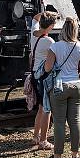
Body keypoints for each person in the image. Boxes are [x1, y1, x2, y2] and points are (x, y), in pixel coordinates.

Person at [40, 17, 80, 158]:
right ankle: (75, 155)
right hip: (75, 86)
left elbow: (47, 68)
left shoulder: (55, 47)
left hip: (59, 86)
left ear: (63, 30)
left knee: (59, 122)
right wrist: (76, 80)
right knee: (75, 120)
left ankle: (57, 156)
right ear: (75, 30)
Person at [30, 11, 56, 150]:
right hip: (44, 77)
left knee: (40, 108)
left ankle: (35, 136)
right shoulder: (49, 41)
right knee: (47, 109)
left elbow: (35, 18)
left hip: (34, 75)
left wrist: (44, 13)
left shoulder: (33, 33)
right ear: (51, 26)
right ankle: (43, 140)